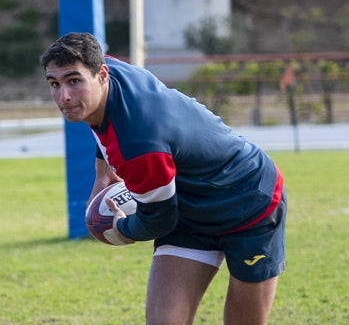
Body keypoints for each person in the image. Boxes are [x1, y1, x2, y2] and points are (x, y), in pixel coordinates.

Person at [40, 32, 287, 325]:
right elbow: (106, 125)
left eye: (74, 81)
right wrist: (102, 170)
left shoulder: (140, 145)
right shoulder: (107, 73)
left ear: (102, 74)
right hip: (187, 212)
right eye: (54, 84)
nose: (64, 97)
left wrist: (121, 228)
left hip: (249, 202)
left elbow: (158, 220)